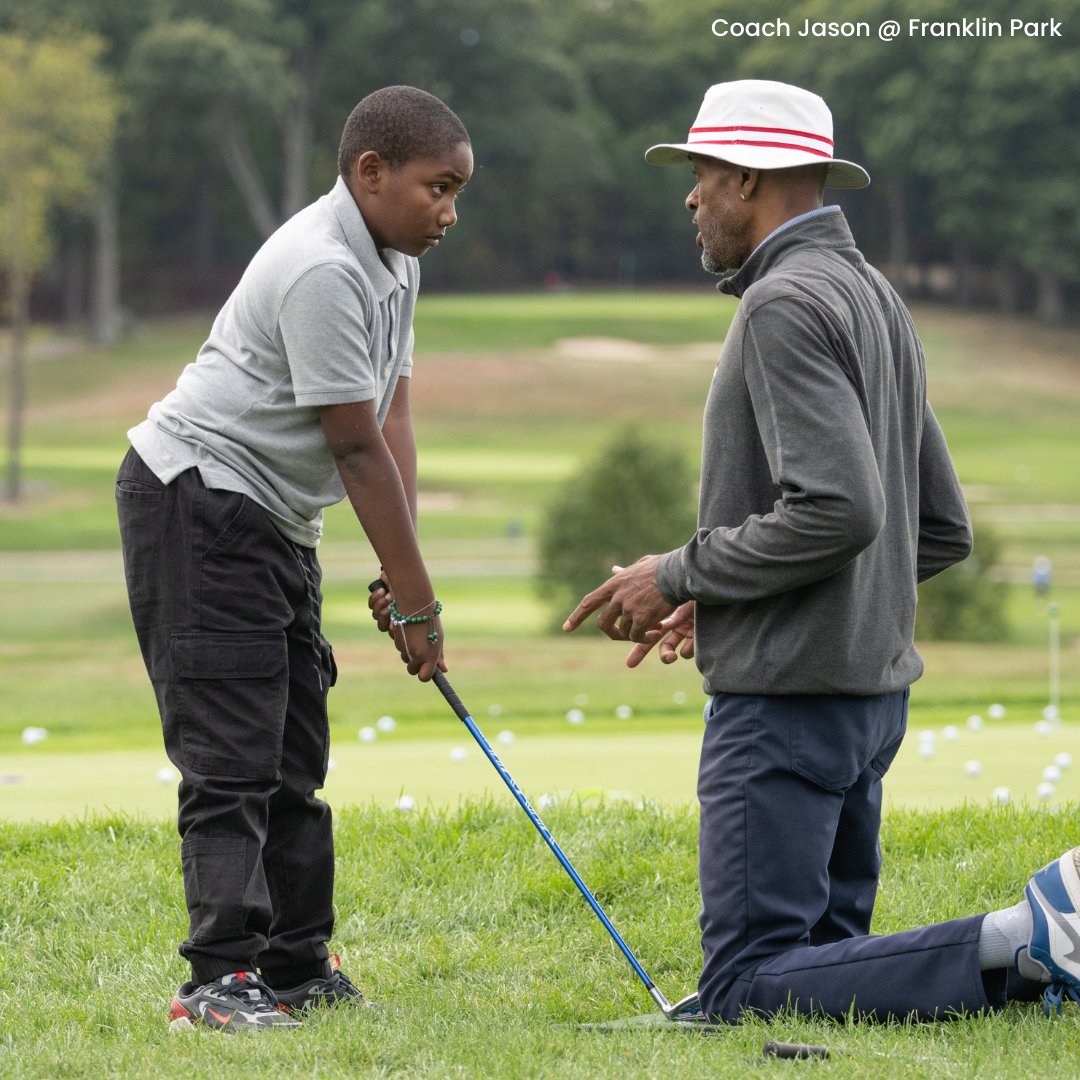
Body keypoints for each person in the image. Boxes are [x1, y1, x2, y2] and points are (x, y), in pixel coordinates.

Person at [563, 79, 1080, 1024]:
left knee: (748, 986)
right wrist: (728, 595)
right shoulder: (874, 296)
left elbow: (840, 511)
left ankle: (1024, 935)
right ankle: (1034, 964)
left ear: (751, 179)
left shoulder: (781, 306)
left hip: (788, 706)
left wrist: (675, 572)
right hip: (865, 706)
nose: (690, 198)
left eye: (704, 174)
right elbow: (939, 527)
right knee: (827, 976)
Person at [116, 85, 472, 1031]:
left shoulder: (393, 261)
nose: (448, 212)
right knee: (232, 753)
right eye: (436, 188)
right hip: (197, 499)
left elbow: (391, 418)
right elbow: (351, 446)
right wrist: (422, 604)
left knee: (294, 751)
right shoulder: (321, 267)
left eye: (457, 192)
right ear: (371, 172)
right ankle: (218, 980)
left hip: (273, 517)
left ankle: (296, 962)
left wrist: (407, 580)